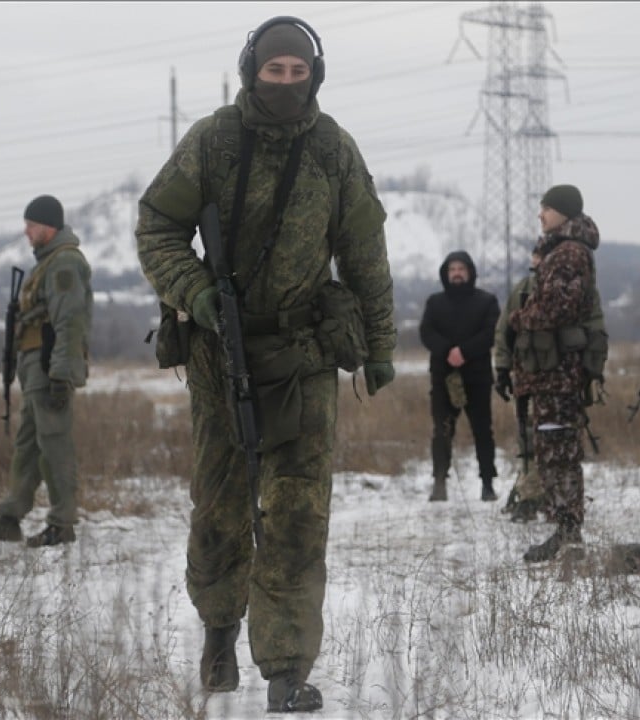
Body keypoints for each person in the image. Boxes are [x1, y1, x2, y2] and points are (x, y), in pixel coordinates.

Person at [134, 16, 396, 712]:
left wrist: (379, 344)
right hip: (221, 355)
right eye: (273, 71)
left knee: (298, 511)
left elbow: (365, 252)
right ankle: (219, 631)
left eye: (297, 71)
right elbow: (157, 225)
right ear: (252, 69)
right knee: (220, 505)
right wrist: (194, 292)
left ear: (314, 74)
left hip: (305, 355)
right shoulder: (214, 141)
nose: (285, 83)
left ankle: (286, 668)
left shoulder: (332, 149)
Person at [0, 194, 93, 548]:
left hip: (47, 366)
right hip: (35, 366)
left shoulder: (64, 263)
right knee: (27, 445)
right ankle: (10, 517)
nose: (26, 232)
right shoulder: (47, 263)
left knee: (54, 443)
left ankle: (62, 523)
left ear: (48, 226)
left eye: (31, 225)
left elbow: (70, 321)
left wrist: (60, 373)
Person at [510, 184, 605, 563]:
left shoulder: (567, 254)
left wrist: (520, 318)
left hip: (558, 373)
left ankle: (568, 530)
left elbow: (557, 308)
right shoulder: (561, 249)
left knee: (560, 449)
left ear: (564, 212)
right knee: (552, 449)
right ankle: (563, 526)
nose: (541, 215)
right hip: (551, 372)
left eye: (547, 209)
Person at [419, 250, 501, 501]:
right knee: (442, 431)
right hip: (443, 376)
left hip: (477, 377)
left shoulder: (487, 301)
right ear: (445, 274)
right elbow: (426, 332)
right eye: (452, 269)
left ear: (470, 272)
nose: (456, 273)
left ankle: (487, 484)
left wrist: (464, 352)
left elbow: (490, 334)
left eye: (461, 269)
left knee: (482, 431)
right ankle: (439, 483)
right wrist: (447, 352)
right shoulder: (435, 302)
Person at [495, 250, 543, 522]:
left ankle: (538, 494)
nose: (536, 260)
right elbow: (504, 331)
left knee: (547, 437)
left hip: (554, 376)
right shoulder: (522, 289)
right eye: (535, 255)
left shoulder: (565, 285)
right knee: (526, 436)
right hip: (524, 375)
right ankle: (528, 493)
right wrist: (502, 368)